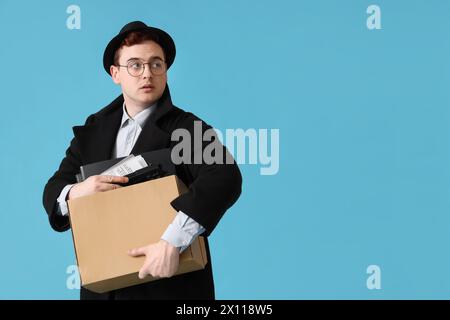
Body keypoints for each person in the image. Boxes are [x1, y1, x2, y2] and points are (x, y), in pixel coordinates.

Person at [42, 21, 242, 300]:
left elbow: (224, 177)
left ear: (166, 72)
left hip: (169, 286)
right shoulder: (93, 130)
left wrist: (172, 242)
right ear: (115, 74)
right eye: (135, 65)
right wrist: (77, 192)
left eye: (156, 64)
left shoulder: (187, 128)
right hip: (102, 289)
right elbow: (54, 189)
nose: (147, 73)